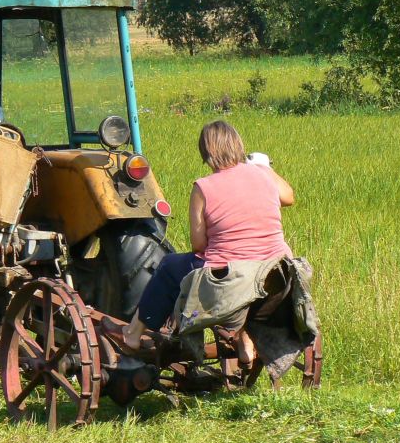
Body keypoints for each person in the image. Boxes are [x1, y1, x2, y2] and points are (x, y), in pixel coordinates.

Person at [102, 120, 295, 359]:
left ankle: (132, 334)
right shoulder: (264, 176)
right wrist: (264, 167)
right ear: (238, 144)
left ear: (206, 152)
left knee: (170, 265)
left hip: (229, 276)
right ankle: (245, 342)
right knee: (249, 279)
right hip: (275, 271)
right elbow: (289, 196)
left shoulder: (203, 188)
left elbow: (199, 245)